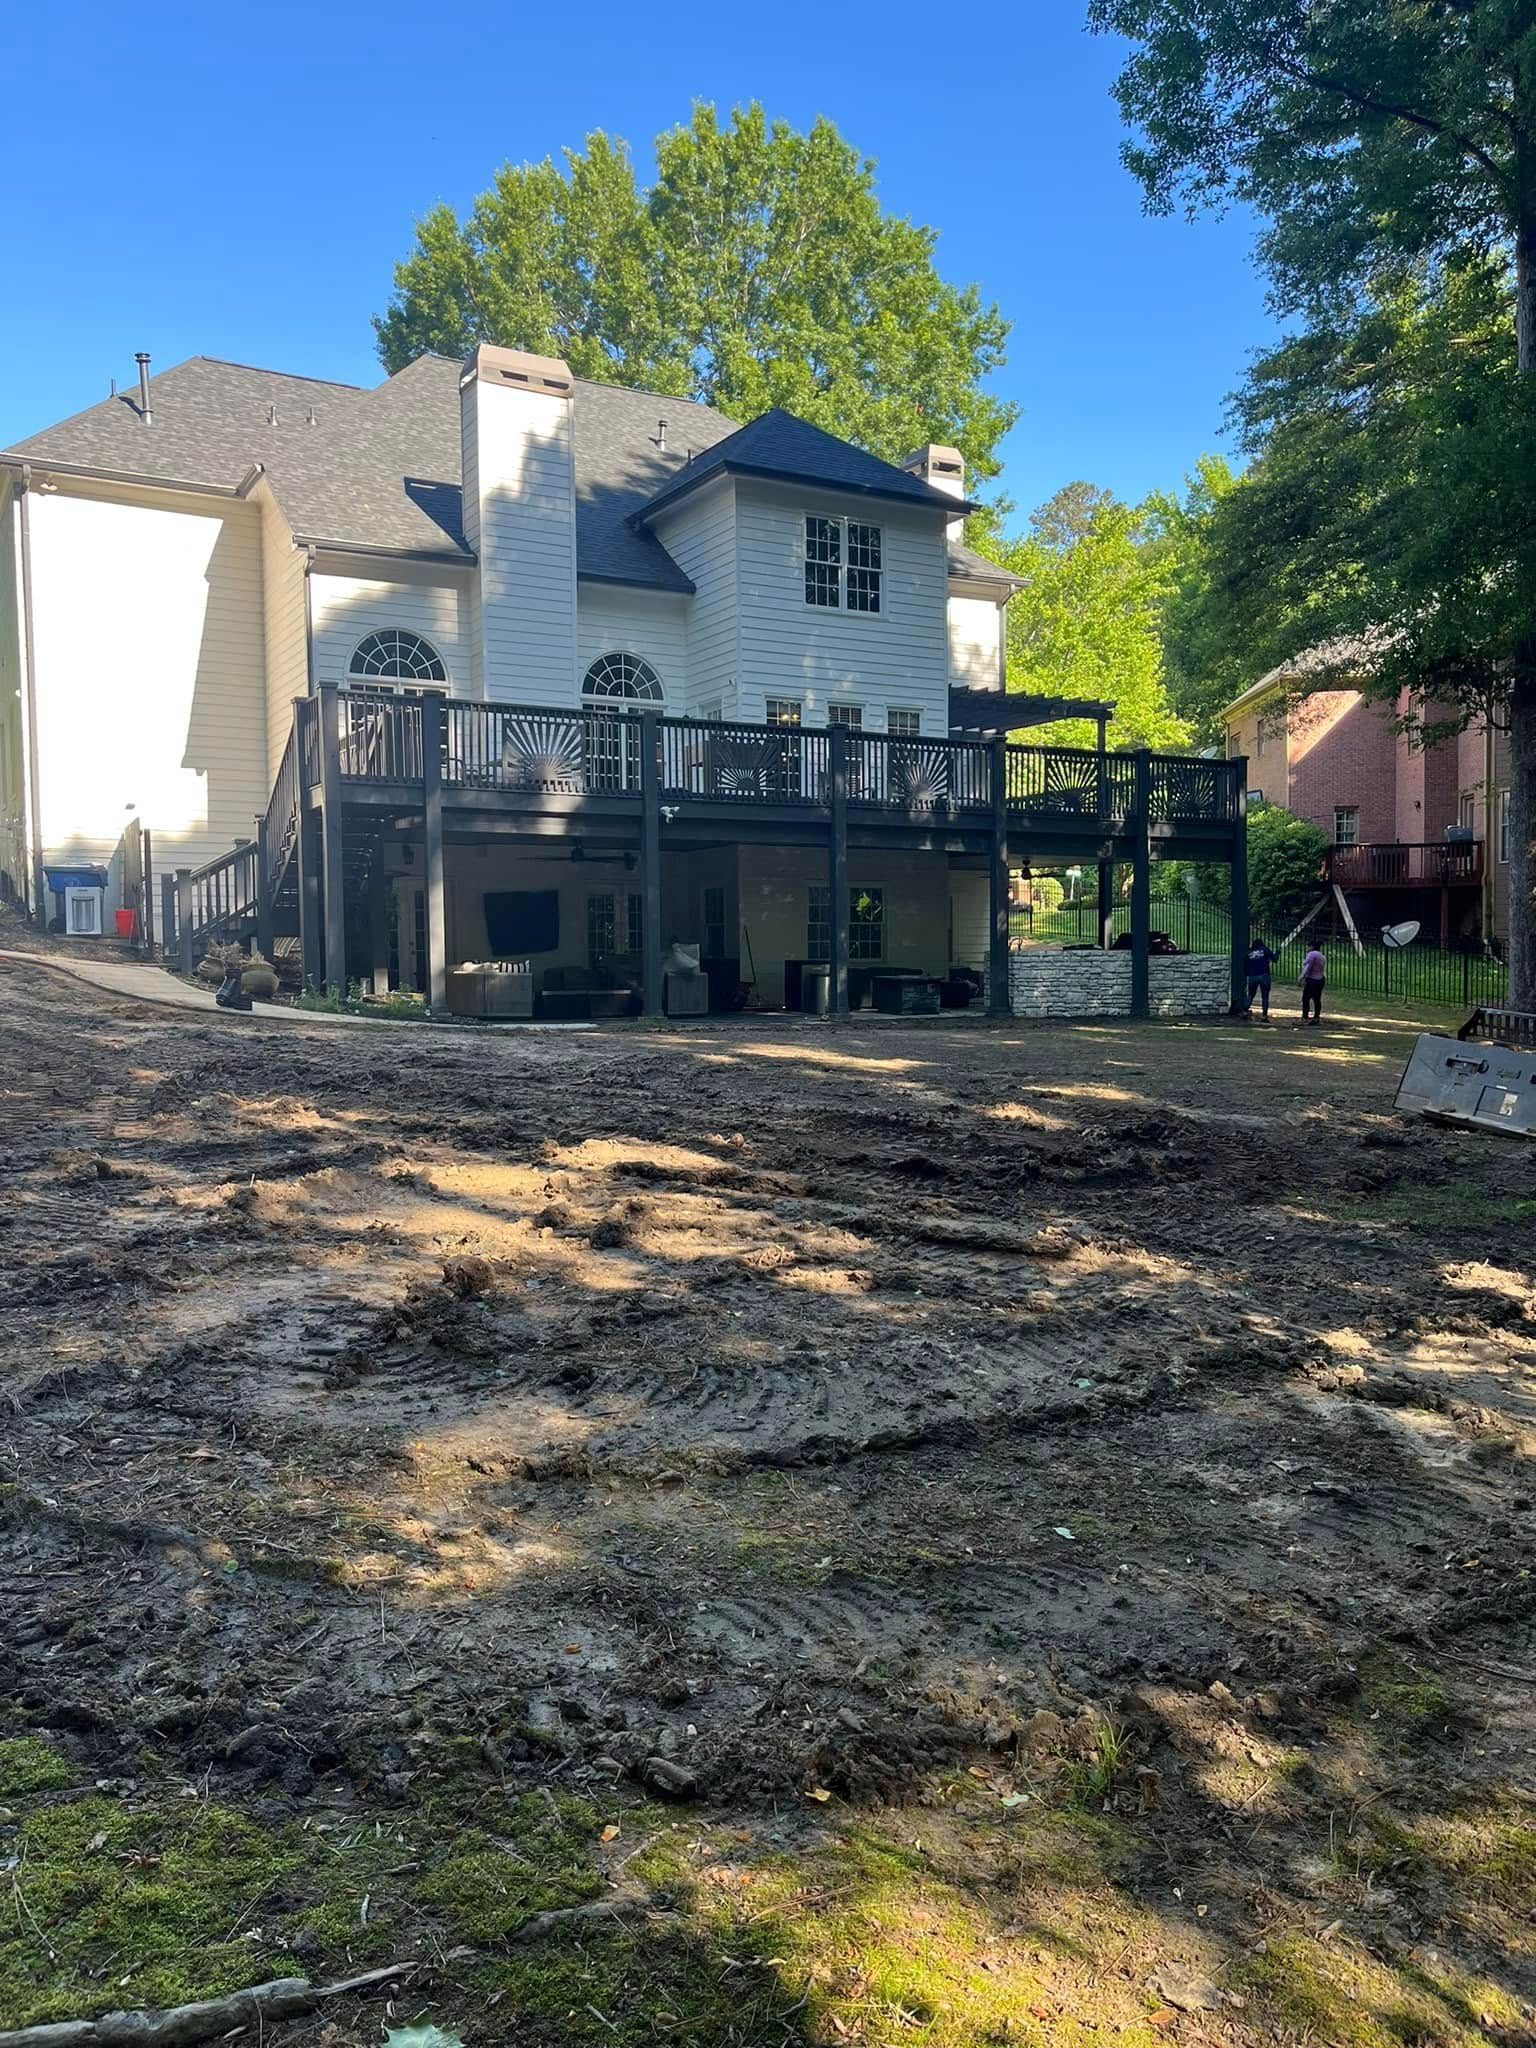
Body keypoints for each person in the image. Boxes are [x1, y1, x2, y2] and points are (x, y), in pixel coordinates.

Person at [1244, 937, 1278, 1016]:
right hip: (1264, 975)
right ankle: (1264, 1016)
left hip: (1252, 976)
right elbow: (1275, 959)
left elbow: (1245, 966)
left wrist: (1247, 975)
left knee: (1251, 994)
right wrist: (1277, 953)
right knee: (1265, 996)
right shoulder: (1265, 950)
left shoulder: (1248, 953)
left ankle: (1245, 1010)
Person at [1300, 943, 1326, 1024]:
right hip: (1320, 979)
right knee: (1317, 999)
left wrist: (1301, 977)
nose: (1306, 948)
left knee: (1306, 998)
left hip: (1312, 979)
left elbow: (1308, 966)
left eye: (1307, 946)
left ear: (1311, 947)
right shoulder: (1322, 956)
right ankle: (1316, 1017)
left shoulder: (1311, 954)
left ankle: (1305, 1016)